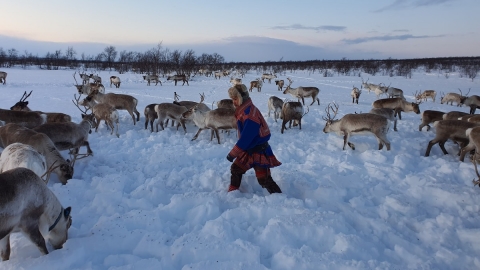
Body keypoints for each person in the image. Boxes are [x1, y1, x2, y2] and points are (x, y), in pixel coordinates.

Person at [226, 84, 282, 194]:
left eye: (235, 99)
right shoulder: (244, 110)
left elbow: (246, 138)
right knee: (236, 169)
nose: (234, 102)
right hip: (248, 150)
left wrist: (233, 153)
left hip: (259, 150)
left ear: (241, 97)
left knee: (264, 179)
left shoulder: (250, 114)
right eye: (232, 99)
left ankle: (278, 198)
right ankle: (232, 193)